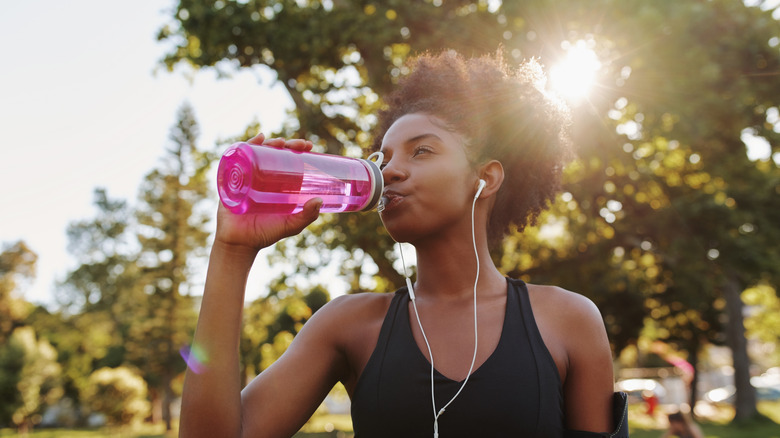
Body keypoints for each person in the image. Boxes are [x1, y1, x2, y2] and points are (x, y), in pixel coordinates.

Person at [179, 50, 628, 438]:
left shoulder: (567, 321)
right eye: (384, 157)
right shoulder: (348, 326)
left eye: (422, 151)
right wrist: (232, 252)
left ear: (485, 178)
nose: (390, 171)